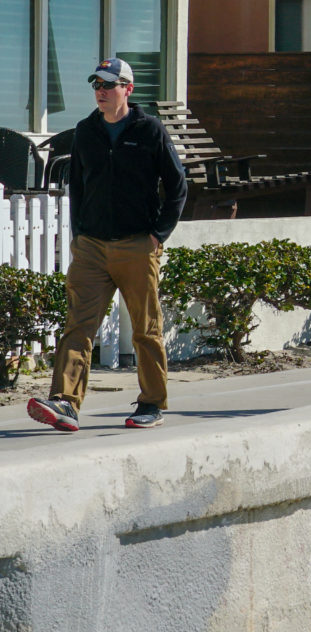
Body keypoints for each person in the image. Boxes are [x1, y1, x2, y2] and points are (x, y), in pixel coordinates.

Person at [27, 59, 186, 433]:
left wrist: (157, 234)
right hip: (92, 247)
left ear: (127, 89)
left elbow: (177, 187)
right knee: (78, 326)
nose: (101, 90)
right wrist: (79, 234)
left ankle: (151, 403)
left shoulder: (149, 131)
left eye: (109, 84)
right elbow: (78, 187)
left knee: (146, 329)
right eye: (96, 84)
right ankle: (65, 402)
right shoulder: (86, 131)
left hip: (137, 244)